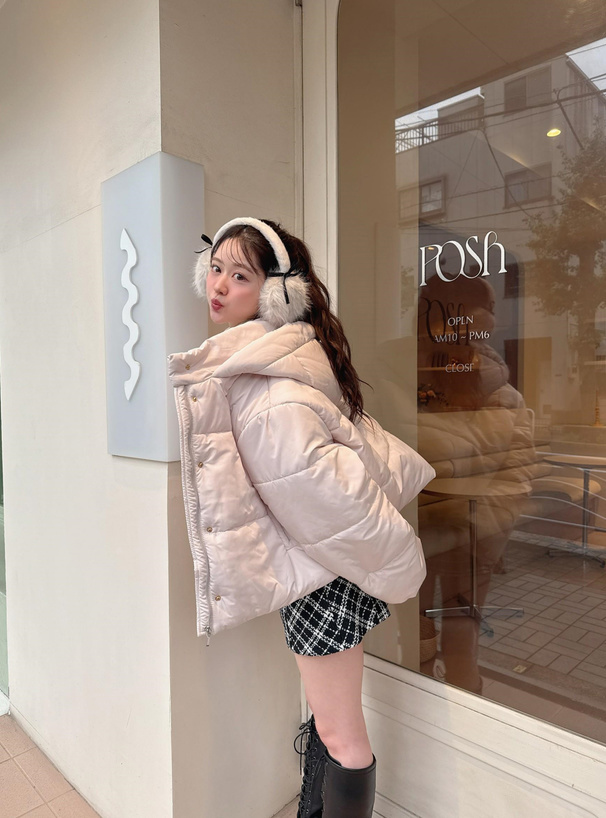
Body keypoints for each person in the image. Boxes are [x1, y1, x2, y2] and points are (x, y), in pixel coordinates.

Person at [167, 217, 435, 818]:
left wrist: (397, 561)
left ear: (276, 294)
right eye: (215, 268)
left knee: (342, 735)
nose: (219, 285)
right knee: (328, 721)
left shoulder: (269, 387)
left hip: (324, 579)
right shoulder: (272, 363)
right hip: (324, 569)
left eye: (240, 276)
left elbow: (329, 494)